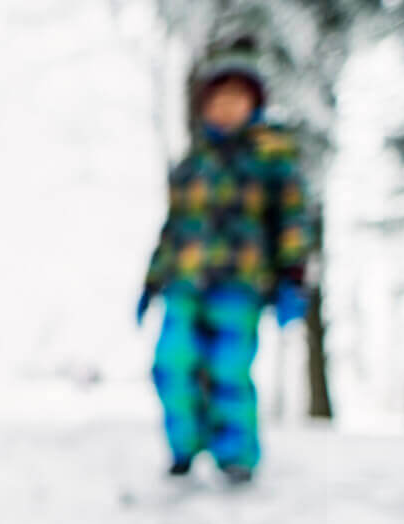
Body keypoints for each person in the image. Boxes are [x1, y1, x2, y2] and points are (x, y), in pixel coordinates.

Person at [139, 36, 311, 484]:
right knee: (172, 362)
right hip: (185, 280)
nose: (227, 107)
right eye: (218, 98)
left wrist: (293, 273)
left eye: (237, 98)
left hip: (241, 282)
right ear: (204, 106)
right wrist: (151, 280)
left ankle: (235, 454)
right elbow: (174, 227)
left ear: (253, 104)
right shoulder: (192, 164)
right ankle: (184, 445)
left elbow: (292, 217)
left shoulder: (271, 156)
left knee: (229, 369)